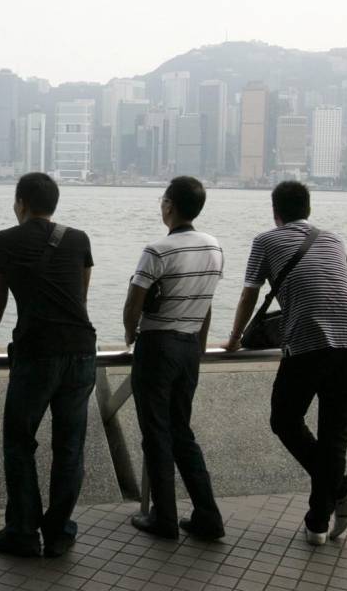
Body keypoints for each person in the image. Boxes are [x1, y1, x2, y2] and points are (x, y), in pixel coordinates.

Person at [223, 180, 347, 545]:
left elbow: (248, 295)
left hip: (308, 345)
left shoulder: (266, 241)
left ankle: (344, 489)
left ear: (275, 212)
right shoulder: (333, 239)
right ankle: (318, 524)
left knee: (284, 420)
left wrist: (235, 339)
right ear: (308, 209)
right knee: (335, 437)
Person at [0, 172, 97, 558]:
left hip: (36, 352)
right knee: (70, 446)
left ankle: (23, 532)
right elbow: (81, 295)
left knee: (19, 441)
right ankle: (58, 533)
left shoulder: (4, 240)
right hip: (81, 350)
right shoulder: (78, 239)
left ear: (21, 203)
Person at [121, 176, 226, 541]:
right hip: (189, 347)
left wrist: (129, 336)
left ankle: (164, 518)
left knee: (156, 433)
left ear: (169, 205)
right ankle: (208, 517)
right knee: (182, 432)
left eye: (163, 200)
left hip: (157, 346)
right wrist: (200, 342)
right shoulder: (214, 247)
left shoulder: (157, 250)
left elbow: (134, 302)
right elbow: (207, 302)